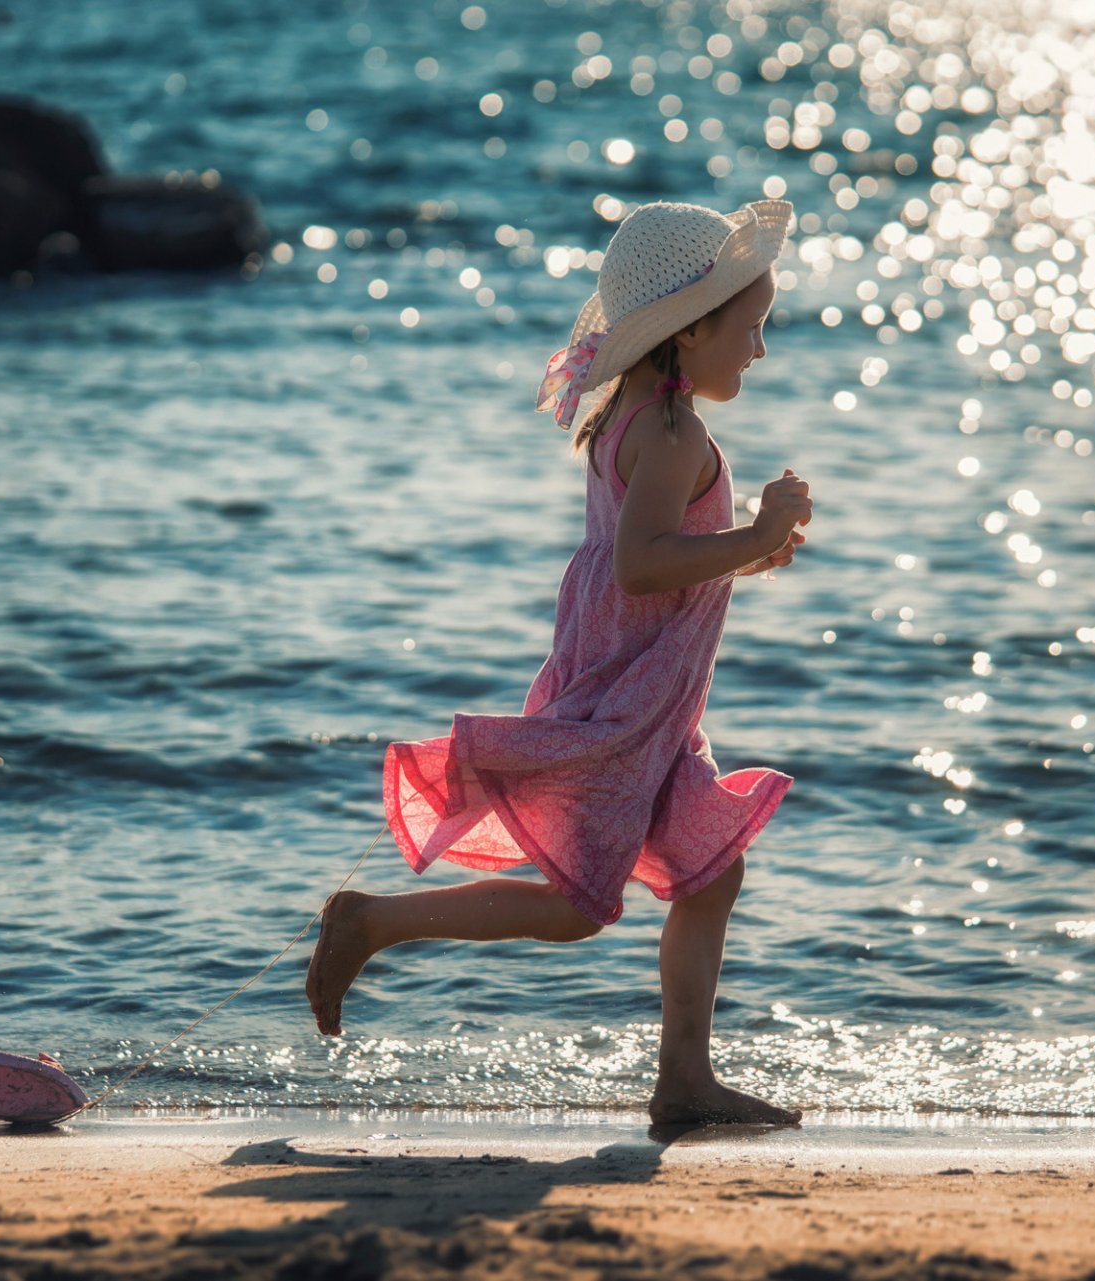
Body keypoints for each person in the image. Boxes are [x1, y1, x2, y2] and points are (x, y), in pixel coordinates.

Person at [306, 199, 813, 1126]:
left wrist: (749, 547)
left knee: (710, 869)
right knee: (582, 904)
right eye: (751, 327)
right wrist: (754, 534)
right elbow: (643, 561)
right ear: (689, 329)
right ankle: (371, 921)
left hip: (651, 696)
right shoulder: (672, 434)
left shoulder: (641, 414)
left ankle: (684, 1081)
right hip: (632, 699)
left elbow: (658, 555)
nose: (760, 349)